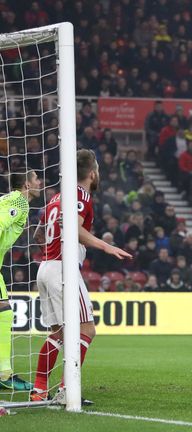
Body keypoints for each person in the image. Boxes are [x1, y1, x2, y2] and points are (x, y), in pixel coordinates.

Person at [32, 149, 132, 403]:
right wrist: (107, 246)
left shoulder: (57, 196)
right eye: (97, 169)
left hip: (44, 268)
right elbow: (74, 229)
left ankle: (39, 390)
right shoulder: (81, 194)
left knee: (59, 334)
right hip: (63, 270)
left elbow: (38, 235)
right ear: (91, 172)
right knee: (86, 329)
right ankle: (67, 390)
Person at [0, 171, 40, 391]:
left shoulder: (7, 200)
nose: (40, 183)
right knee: (4, 311)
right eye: (36, 180)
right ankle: (4, 374)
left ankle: (4, 372)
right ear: (26, 184)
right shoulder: (18, 201)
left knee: (4, 311)